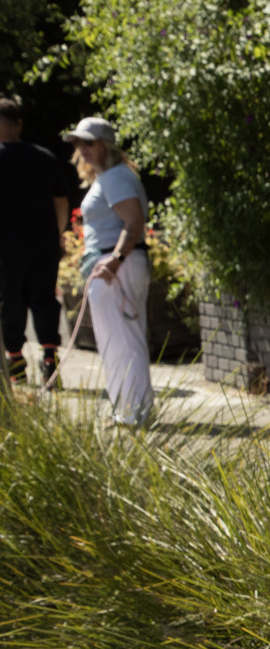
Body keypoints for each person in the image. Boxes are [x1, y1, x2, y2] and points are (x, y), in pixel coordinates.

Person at [65, 116, 152, 424]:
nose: (81, 149)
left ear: (105, 145)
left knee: (120, 340)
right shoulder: (111, 176)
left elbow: (134, 222)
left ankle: (132, 412)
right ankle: (130, 410)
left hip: (116, 268)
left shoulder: (115, 177)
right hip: (115, 266)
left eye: (88, 142)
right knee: (120, 338)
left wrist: (114, 259)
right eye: (78, 142)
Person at [0, 96, 72, 387]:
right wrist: (57, 234)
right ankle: (50, 364)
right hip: (43, 246)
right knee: (45, 302)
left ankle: (16, 369)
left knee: (10, 305)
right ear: (19, 124)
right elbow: (61, 204)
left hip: (5, 251)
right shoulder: (44, 157)